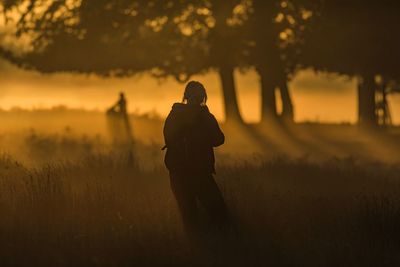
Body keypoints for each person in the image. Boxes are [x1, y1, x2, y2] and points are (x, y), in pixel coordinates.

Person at [163, 81, 228, 235]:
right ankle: (223, 245)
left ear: (185, 96)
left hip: (178, 173)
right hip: (201, 173)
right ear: (203, 97)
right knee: (220, 214)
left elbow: (168, 139)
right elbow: (219, 139)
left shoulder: (174, 115)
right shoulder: (205, 116)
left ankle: (195, 248)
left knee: (189, 217)